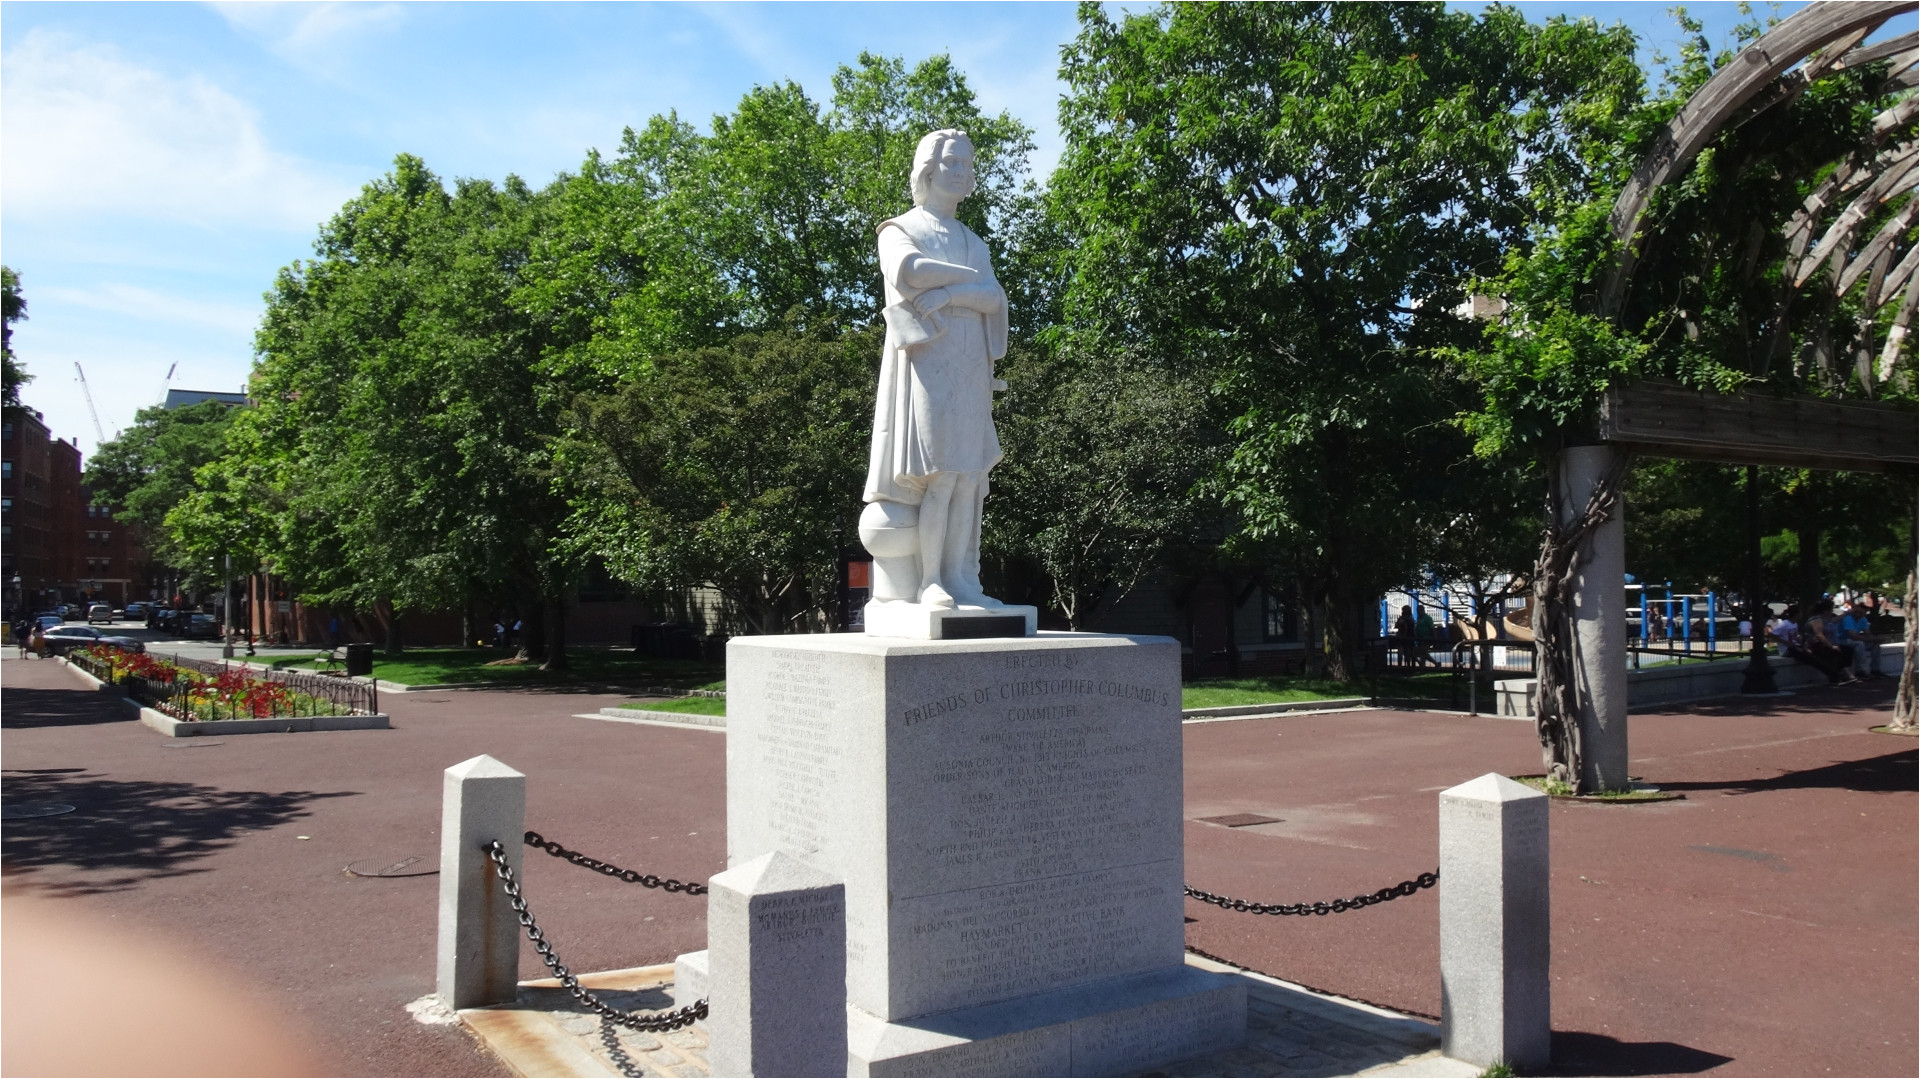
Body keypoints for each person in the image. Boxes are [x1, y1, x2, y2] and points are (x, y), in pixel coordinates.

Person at [862, 129, 1010, 610]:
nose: (963, 172)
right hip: (928, 359)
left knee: (969, 476)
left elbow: (993, 299)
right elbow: (909, 273)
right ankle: (930, 581)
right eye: (954, 163)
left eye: (968, 165)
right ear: (929, 169)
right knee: (940, 476)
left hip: (970, 357)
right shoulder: (899, 228)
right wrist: (970, 282)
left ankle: (962, 579)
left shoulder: (974, 241)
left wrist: (949, 294)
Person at [1835, 601, 1879, 678]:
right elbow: (1852, 636)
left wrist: (1875, 639)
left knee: (1875, 645)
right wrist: (1868, 639)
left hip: (1853, 640)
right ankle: (1862, 670)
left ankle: (1875, 669)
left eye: (1861, 613)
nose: (1858, 614)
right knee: (1859, 644)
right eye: (1856, 612)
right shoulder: (1848, 618)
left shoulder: (1863, 619)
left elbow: (1868, 633)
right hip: (1842, 640)